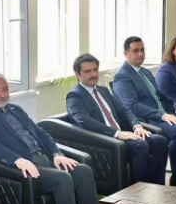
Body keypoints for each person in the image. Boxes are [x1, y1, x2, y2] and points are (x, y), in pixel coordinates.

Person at [0, 73, 102, 204]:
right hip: (24, 169)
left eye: (5, 89)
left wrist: (56, 154)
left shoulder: (16, 110)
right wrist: (17, 160)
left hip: (45, 159)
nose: (2, 94)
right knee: (62, 178)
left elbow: (40, 133)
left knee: (83, 171)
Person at [112, 36, 176, 186]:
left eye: (142, 50)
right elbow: (132, 106)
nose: (140, 54)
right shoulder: (122, 76)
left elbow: (162, 95)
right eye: (136, 51)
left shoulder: (145, 72)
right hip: (149, 120)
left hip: (166, 113)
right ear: (126, 54)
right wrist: (162, 115)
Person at [67, 53, 169, 185]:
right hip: (103, 140)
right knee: (140, 145)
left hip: (122, 134)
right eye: (87, 71)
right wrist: (116, 133)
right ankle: (141, 191)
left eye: (95, 70)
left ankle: (156, 186)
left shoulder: (103, 90)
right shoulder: (75, 96)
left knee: (160, 141)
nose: (93, 74)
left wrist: (137, 126)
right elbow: (84, 121)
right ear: (78, 74)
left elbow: (123, 110)